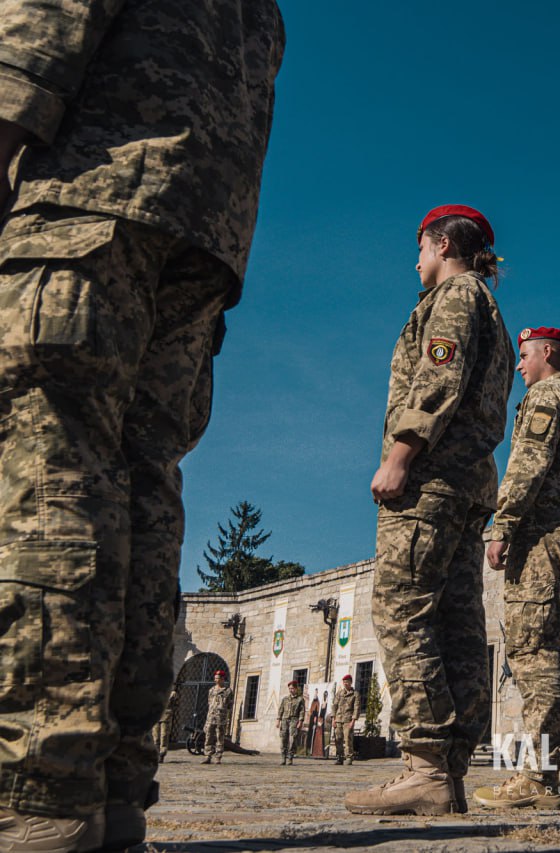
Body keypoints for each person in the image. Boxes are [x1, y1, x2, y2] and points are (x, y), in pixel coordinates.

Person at [0, 2, 283, 847]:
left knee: (47, 461)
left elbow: (44, 18)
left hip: (88, 191)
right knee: (142, 484)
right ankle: (115, 777)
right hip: (200, 234)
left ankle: (38, 785)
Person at [344, 205, 513, 817]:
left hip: (432, 479)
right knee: (458, 625)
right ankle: (449, 770)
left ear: (443, 243)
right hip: (468, 485)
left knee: (401, 608)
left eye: (420, 248)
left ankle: (423, 765)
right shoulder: (486, 303)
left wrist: (399, 456)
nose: (416, 261)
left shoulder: (456, 295)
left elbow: (435, 385)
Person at [476, 327, 560, 810]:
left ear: (547, 353)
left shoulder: (546, 396)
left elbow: (527, 463)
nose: (520, 366)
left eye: (524, 356)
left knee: (534, 650)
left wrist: (503, 523)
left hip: (542, 536)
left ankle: (538, 776)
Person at [201, 671, 233, 766]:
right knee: (208, 736)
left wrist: (227, 717)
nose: (216, 680)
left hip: (221, 718)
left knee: (220, 737)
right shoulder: (211, 690)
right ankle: (207, 756)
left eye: (218, 678)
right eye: (215, 678)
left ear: (222, 679)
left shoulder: (228, 691)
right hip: (211, 716)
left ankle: (218, 757)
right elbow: (209, 703)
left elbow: (229, 705)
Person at [278, 681, 306, 766]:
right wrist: (278, 720)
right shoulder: (285, 699)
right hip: (284, 720)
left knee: (293, 739)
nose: (291, 690)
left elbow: (302, 711)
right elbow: (281, 710)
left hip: (294, 720)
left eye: (292, 688)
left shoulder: (300, 699)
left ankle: (290, 757)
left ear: (296, 689)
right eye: (290, 688)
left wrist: (300, 721)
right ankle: (283, 757)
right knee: (283, 739)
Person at [333, 674, 359, 766]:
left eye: (347, 682)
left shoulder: (355, 694)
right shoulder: (339, 694)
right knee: (338, 739)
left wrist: (353, 721)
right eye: (344, 682)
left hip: (348, 720)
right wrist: (334, 719)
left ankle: (349, 758)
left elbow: (356, 708)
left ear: (351, 682)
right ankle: (339, 757)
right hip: (338, 719)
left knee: (348, 739)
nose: (345, 684)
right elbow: (334, 706)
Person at [154, 686, 180, 765]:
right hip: (156, 716)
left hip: (166, 716)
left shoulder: (172, 693)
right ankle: (156, 754)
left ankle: (162, 754)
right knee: (155, 737)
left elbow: (176, 705)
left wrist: (170, 711)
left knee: (164, 736)